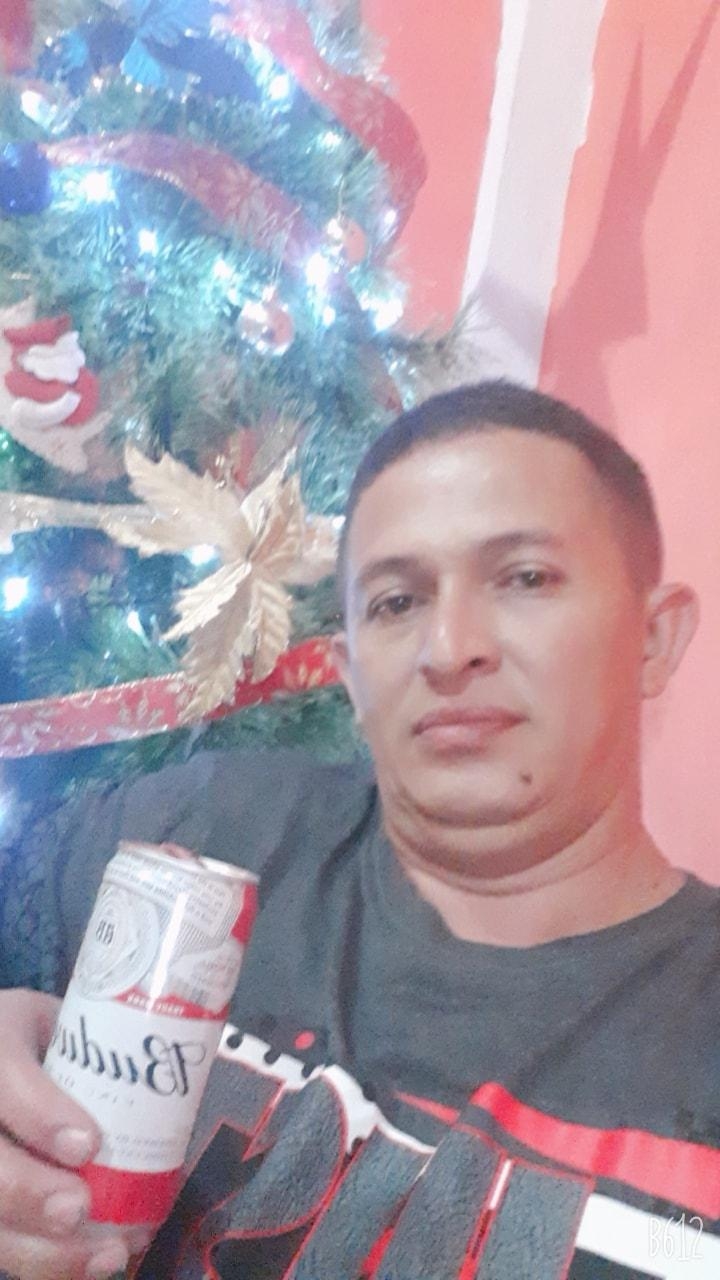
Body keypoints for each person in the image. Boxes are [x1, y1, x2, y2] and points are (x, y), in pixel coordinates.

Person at [0, 380, 719, 1280]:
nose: (449, 648)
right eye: (395, 602)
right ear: (348, 672)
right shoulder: (201, 825)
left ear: (654, 638)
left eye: (525, 578)